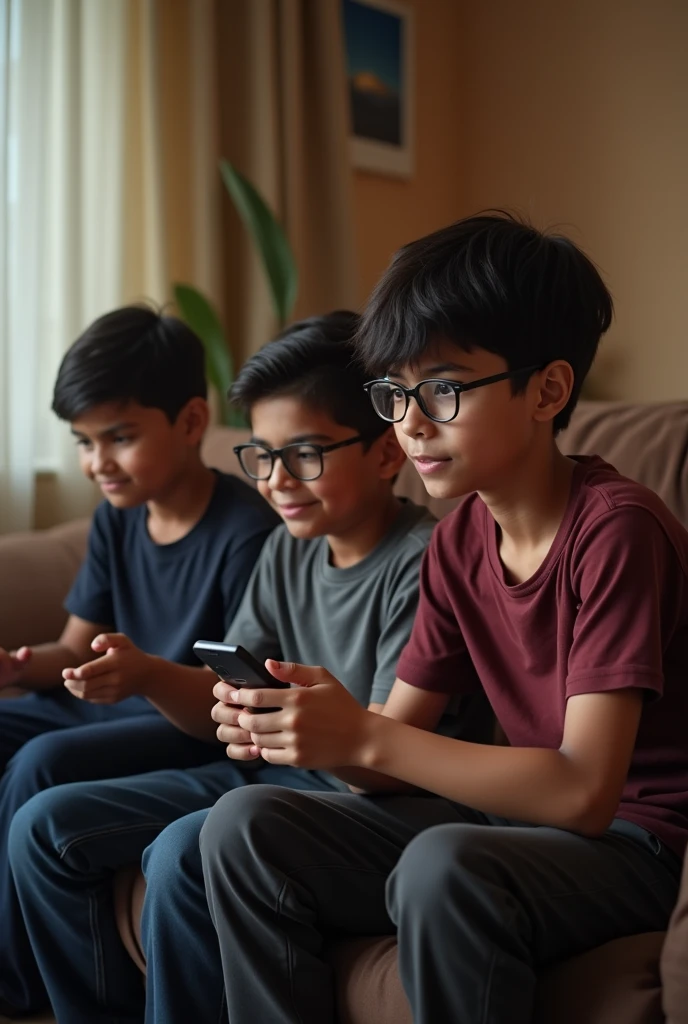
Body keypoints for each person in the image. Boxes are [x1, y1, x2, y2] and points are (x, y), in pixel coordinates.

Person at [198, 215, 688, 1024]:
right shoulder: (462, 537)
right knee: (243, 823)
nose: (410, 423)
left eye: (444, 390)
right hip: (516, 819)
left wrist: (366, 737)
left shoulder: (616, 531)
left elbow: (585, 792)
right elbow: (388, 749)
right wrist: (311, 723)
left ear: (549, 390)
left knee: (443, 865)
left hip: (640, 842)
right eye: (394, 394)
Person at [8, 311, 463, 1023]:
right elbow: (221, 695)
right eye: (262, 455)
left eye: (305, 455)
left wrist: (290, 725)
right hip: (266, 772)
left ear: (385, 453)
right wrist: (177, 684)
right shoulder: (289, 547)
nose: (277, 481)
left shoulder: (422, 561)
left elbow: (385, 756)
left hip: (361, 799)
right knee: (45, 824)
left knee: (178, 854)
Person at [0, 304, 277, 1015]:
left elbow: (233, 692)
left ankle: (18, 977)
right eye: (83, 443)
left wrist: (142, 675)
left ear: (189, 423)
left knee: (43, 763)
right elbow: (70, 646)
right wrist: (17, 666)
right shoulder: (116, 518)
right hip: (111, 701)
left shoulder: (247, 531)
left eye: (119, 438)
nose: (97, 464)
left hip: (188, 719)